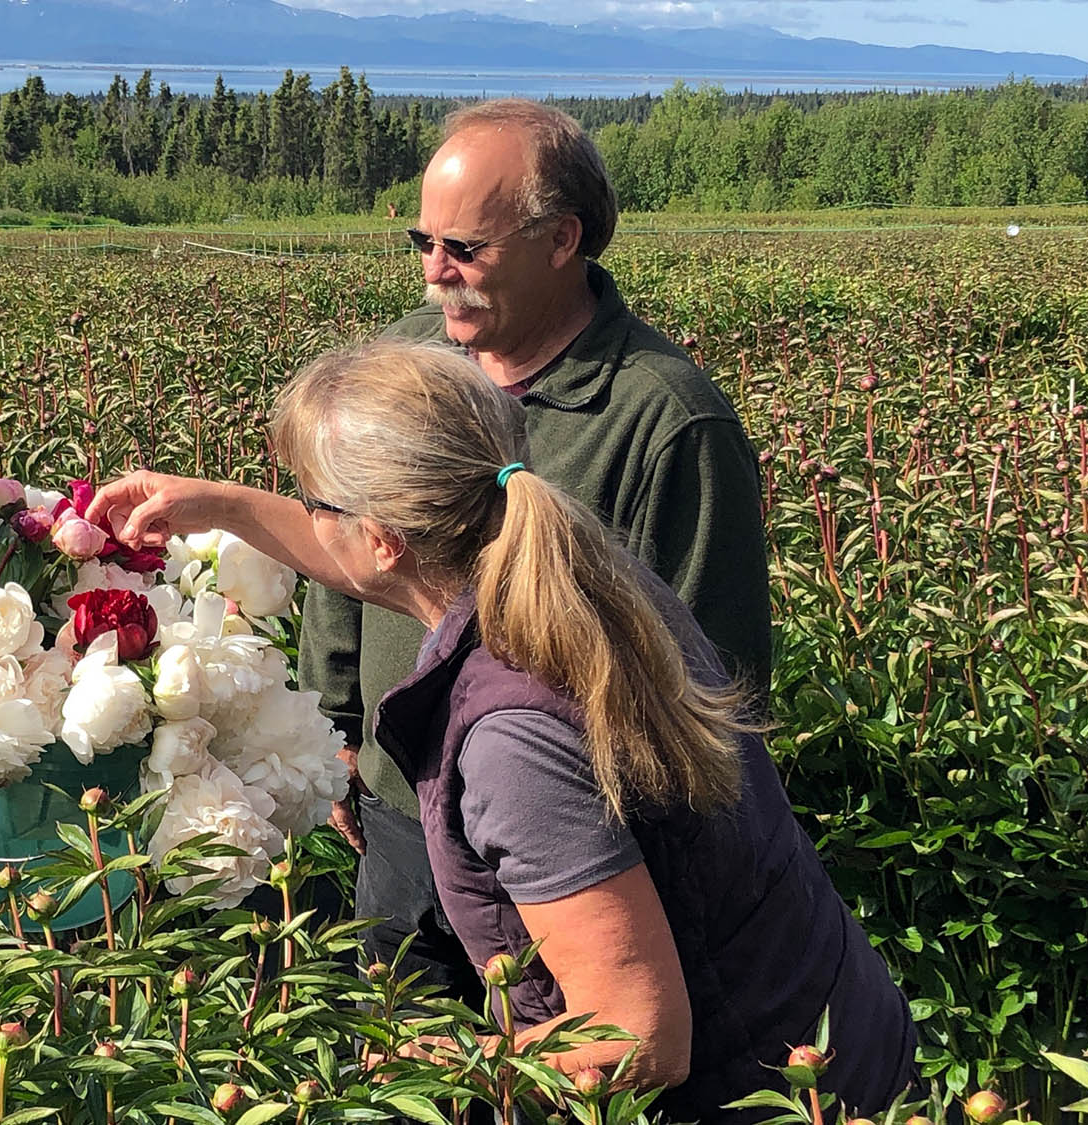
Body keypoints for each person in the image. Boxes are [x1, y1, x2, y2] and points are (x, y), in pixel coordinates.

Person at [90, 342, 914, 1121]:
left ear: (385, 537)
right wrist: (212, 505)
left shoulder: (512, 736)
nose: (311, 519)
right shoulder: (567, 566)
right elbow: (354, 553)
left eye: (317, 504)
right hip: (830, 1021)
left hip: (766, 1091)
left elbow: (639, 1034)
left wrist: (450, 1059)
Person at [301, 98, 774, 1009]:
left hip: (571, 851)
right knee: (403, 1063)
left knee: (561, 1073)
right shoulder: (406, 358)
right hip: (402, 808)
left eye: (465, 249)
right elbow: (339, 542)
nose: (436, 274)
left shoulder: (667, 421)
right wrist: (335, 729)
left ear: (563, 240)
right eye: (422, 241)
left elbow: (718, 684)